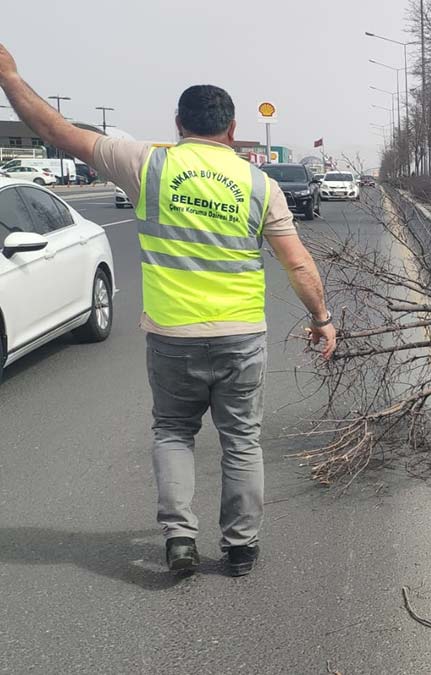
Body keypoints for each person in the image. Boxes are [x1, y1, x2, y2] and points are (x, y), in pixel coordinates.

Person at [0, 44, 337, 576]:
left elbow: (57, 132)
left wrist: (10, 78)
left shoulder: (148, 164)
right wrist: (321, 319)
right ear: (232, 129)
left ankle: (180, 537)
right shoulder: (259, 184)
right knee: (241, 439)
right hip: (240, 336)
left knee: (174, 432)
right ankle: (241, 547)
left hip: (173, 335)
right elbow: (299, 266)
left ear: (178, 124)